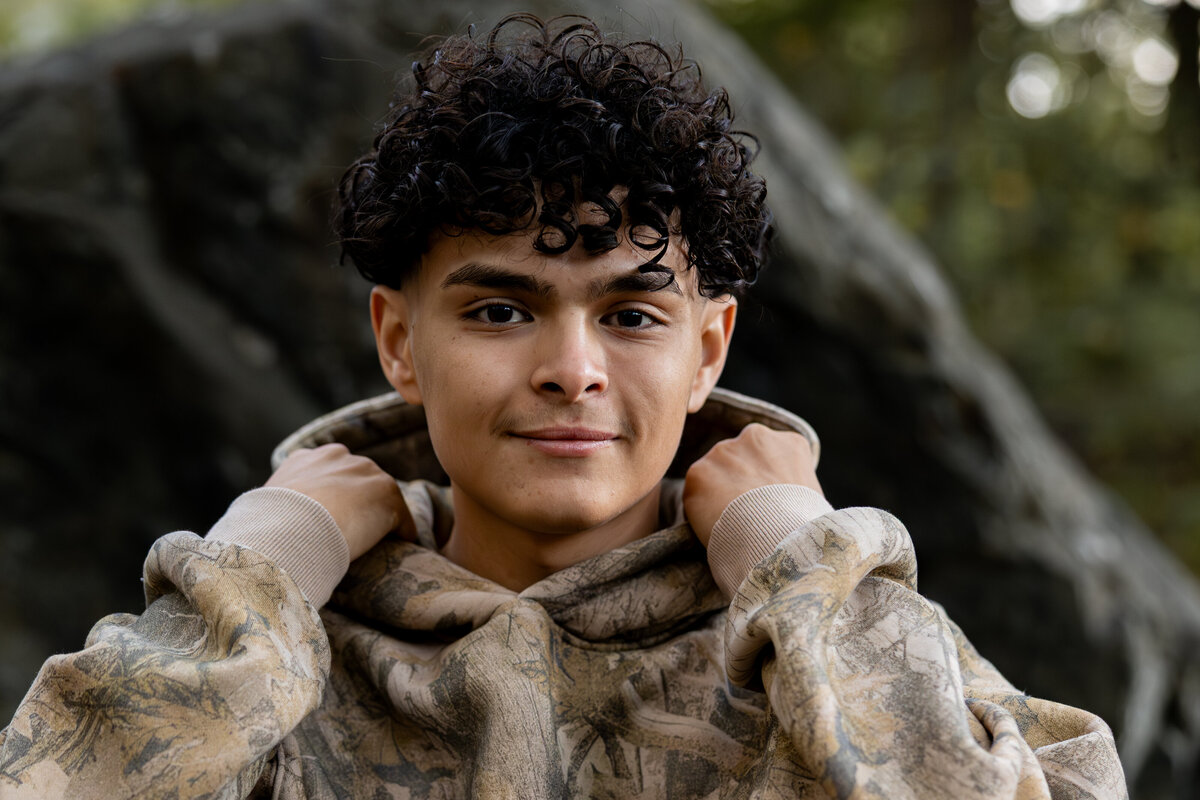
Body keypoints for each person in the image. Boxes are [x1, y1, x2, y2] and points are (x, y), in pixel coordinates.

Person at [0, 13, 1126, 799]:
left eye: (633, 315)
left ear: (709, 348)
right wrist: (256, 573)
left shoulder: (821, 622)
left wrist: (808, 564)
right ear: (399, 339)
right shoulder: (288, 638)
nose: (571, 367)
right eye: (500, 311)